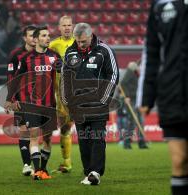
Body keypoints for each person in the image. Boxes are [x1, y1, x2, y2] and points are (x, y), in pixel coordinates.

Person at [137, 1, 188, 195]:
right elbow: (151, 51)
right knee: (179, 160)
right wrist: (146, 96)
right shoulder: (160, 5)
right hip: (172, 94)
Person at [61, 23, 119, 185]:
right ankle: (88, 173)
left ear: (90, 36)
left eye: (83, 42)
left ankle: (95, 172)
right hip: (78, 106)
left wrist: (104, 98)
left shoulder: (104, 50)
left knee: (97, 138)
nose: (80, 45)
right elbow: (65, 78)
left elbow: (113, 74)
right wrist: (67, 101)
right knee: (84, 140)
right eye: (78, 41)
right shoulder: (70, 51)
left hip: (98, 104)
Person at [7, 26, 62, 180]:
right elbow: (16, 79)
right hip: (32, 105)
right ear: (36, 39)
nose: (48, 38)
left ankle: (43, 170)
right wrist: (11, 99)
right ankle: (36, 170)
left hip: (50, 105)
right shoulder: (26, 59)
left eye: (48, 35)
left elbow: (63, 73)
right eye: (44, 35)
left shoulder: (55, 57)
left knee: (48, 139)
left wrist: (62, 68)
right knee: (33, 137)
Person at [4, 25, 37, 176]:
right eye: (30, 35)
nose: (33, 38)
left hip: (40, 100)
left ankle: (39, 166)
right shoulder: (16, 55)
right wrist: (10, 98)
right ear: (24, 37)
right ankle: (26, 164)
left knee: (37, 134)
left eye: (35, 35)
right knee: (24, 132)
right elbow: (11, 77)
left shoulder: (42, 53)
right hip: (21, 99)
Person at [49, 15, 75, 173]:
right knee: (65, 128)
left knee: (86, 128)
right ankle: (67, 163)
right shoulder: (53, 45)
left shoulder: (79, 43)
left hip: (78, 94)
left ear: (72, 26)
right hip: (60, 95)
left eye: (69, 25)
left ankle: (92, 166)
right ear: (59, 27)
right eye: (64, 25)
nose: (67, 27)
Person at [120, 61, 148, 149]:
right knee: (131, 121)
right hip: (131, 100)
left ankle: (141, 142)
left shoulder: (134, 73)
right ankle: (127, 143)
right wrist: (126, 96)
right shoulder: (130, 72)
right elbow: (122, 83)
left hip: (136, 100)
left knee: (139, 121)